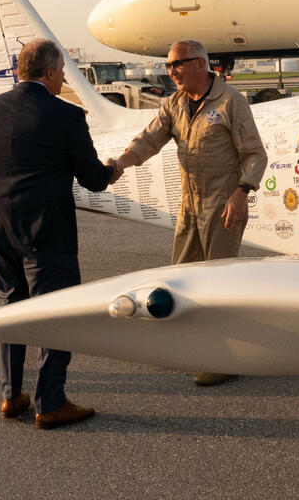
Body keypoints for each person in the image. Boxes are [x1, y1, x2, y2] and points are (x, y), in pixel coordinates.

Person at [0, 39, 118, 429]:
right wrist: (114, 168)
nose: (64, 76)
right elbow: (93, 179)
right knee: (57, 311)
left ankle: (11, 395)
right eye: (62, 70)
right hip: (45, 229)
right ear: (49, 73)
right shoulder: (66, 115)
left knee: (12, 309)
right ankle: (50, 402)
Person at [113, 40, 266, 385]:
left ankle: (224, 359)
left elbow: (255, 154)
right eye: (169, 66)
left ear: (201, 64)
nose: (172, 71)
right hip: (190, 204)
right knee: (183, 277)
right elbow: (148, 140)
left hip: (222, 204)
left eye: (179, 64)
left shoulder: (231, 102)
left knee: (218, 282)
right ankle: (194, 350)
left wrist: (243, 191)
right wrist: (122, 162)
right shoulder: (174, 104)